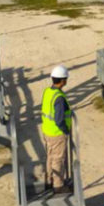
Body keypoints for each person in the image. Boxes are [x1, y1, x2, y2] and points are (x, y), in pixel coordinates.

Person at [41, 65, 73, 194]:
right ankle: (58, 186)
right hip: (57, 133)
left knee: (50, 157)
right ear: (63, 80)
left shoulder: (48, 91)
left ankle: (49, 181)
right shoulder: (59, 97)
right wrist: (65, 130)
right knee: (58, 159)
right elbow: (59, 119)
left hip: (47, 131)